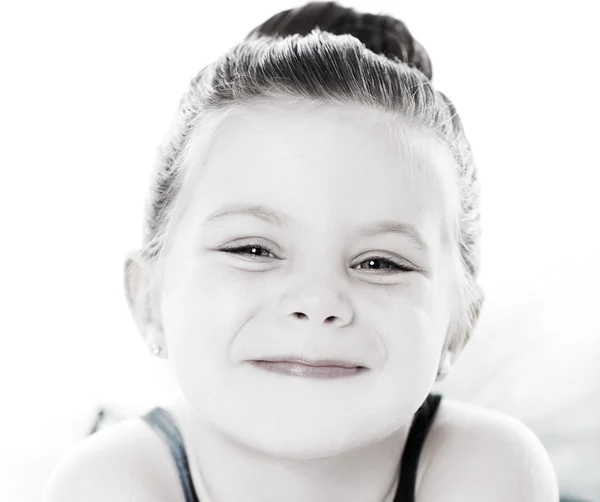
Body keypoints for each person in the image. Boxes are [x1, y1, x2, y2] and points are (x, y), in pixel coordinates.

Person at [44, 2, 561, 501]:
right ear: (147, 299)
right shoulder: (106, 483)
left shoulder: (491, 465)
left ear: (458, 326)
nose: (317, 300)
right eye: (253, 249)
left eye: (380, 262)